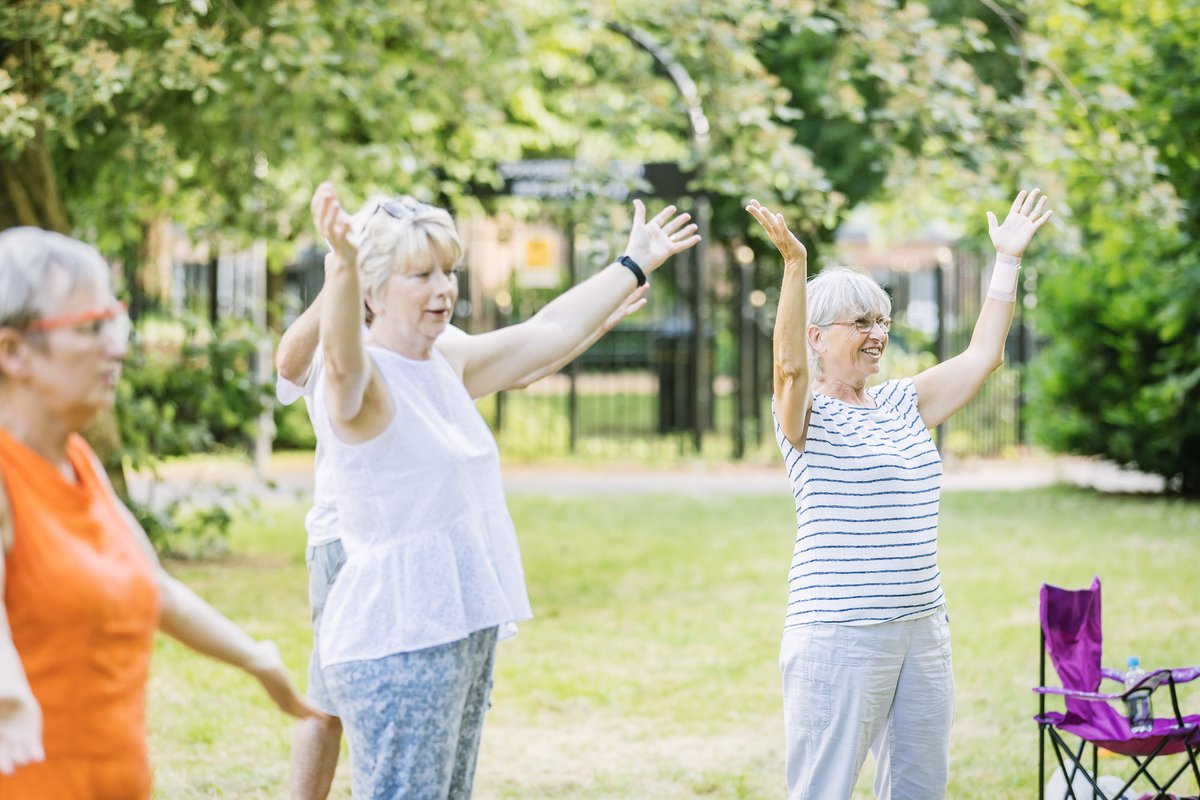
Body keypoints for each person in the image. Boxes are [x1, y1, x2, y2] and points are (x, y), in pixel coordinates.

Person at [307, 182, 698, 798]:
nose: (444, 288)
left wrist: (634, 263)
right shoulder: (364, 381)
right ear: (372, 292)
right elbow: (338, 362)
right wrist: (343, 266)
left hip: (459, 627)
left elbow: (549, 329)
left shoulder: (443, 361)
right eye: (421, 275)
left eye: (448, 271)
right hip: (399, 640)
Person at [746, 188, 1052, 800]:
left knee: (919, 788)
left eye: (881, 321)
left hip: (923, 627)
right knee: (824, 788)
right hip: (841, 631)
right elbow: (788, 369)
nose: (877, 334)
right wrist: (794, 264)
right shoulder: (804, 416)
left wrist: (1008, 260)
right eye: (861, 323)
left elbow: (984, 356)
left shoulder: (901, 402)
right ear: (816, 336)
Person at [0, 227, 321, 798]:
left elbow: (153, 586)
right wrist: (9, 696)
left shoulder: (76, 462)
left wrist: (258, 659)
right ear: (13, 351)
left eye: (115, 322)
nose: (117, 348)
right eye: (91, 328)